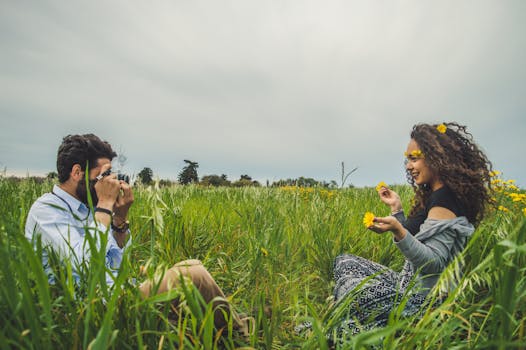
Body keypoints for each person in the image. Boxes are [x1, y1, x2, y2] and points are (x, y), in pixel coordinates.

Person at [25, 134, 249, 334]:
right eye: (104, 175)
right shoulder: (46, 211)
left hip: (117, 294)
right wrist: (104, 205)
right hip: (89, 312)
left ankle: (232, 325)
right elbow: (87, 268)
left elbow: (118, 266)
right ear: (77, 173)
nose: (111, 182)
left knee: (191, 269)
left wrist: (119, 219)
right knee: (192, 274)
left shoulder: (89, 208)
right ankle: (239, 334)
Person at [331, 122, 493, 336]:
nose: (408, 166)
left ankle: (371, 326)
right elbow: (419, 237)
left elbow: (433, 263)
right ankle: (352, 316)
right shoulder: (435, 194)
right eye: (408, 159)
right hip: (406, 284)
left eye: (414, 158)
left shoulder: (445, 201)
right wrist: (397, 210)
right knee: (345, 262)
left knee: (352, 289)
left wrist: (398, 230)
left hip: (423, 304)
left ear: (437, 158)